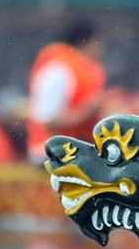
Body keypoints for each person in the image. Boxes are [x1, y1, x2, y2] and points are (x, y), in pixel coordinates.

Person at [26, 18, 108, 156]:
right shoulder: (59, 69)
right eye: (98, 43)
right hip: (49, 154)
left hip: (72, 152)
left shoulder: (84, 68)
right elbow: (47, 120)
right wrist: (87, 111)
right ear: (87, 42)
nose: (102, 48)